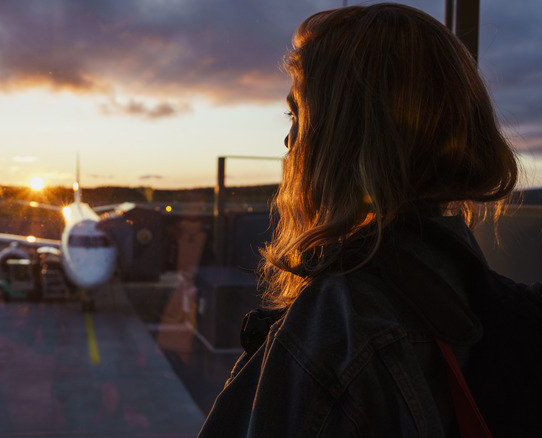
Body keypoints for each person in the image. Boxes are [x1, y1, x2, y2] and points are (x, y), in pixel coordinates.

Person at [198, 3, 521, 437]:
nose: (289, 140)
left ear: (344, 140)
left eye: (298, 115)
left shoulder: (338, 330)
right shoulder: (475, 295)